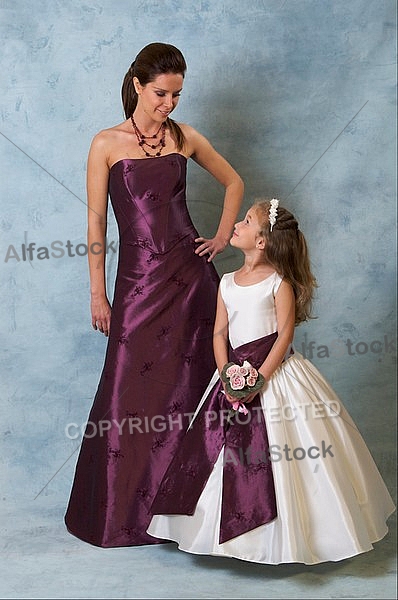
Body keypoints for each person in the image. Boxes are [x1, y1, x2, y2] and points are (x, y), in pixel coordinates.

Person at [64, 42, 244, 548]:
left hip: (191, 282)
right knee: (129, 395)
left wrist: (221, 236)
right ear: (138, 85)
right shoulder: (106, 143)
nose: (170, 104)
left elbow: (234, 182)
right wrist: (98, 294)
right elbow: (97, 222)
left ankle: (190, 515)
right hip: (138, 285)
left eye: (178, 95)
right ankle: (120, 517)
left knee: (194, 393)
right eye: (162, 93)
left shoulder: (184, 137)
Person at [148, 199, 396, 564]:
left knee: (293, 455)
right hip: (230, 379)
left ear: (262, 241)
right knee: (212, 453)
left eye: (246, 221)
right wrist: (227, 374)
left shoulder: (279, 284)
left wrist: (259, 379)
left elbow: (283, 336)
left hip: (276, 377)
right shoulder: (228, 282)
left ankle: (294, 536)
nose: (237, 224)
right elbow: (219, 334)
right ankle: (215, 536)